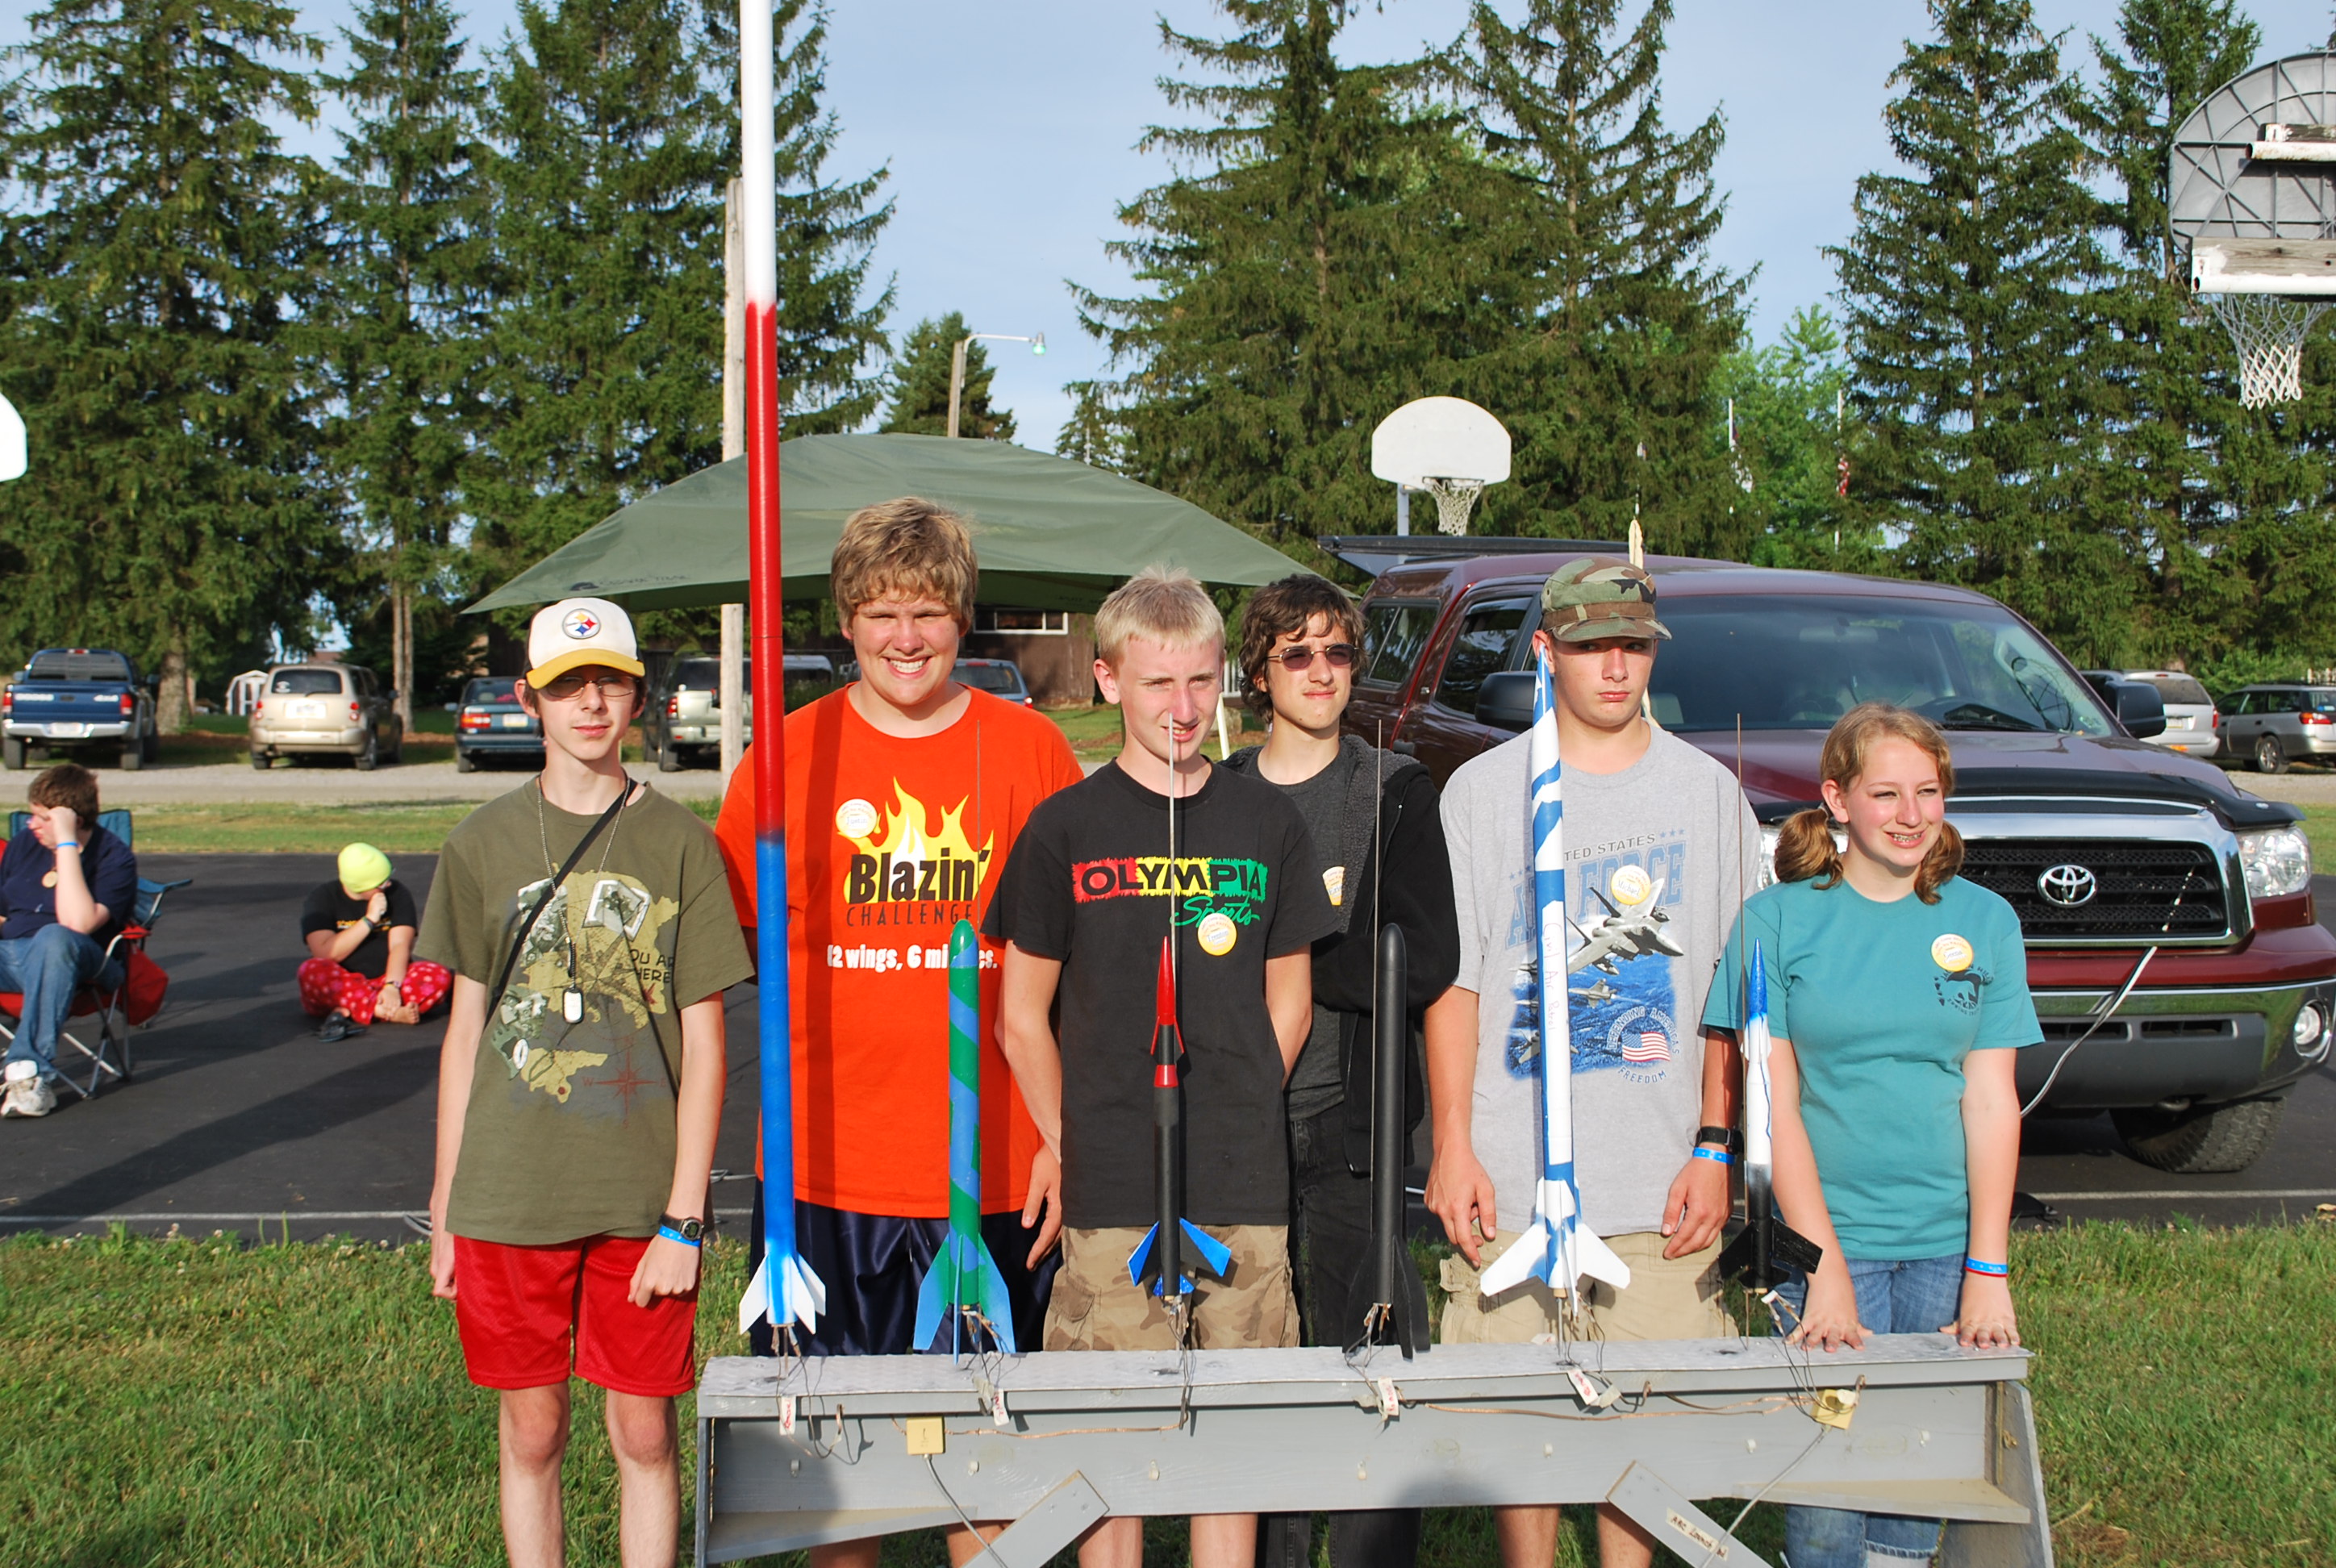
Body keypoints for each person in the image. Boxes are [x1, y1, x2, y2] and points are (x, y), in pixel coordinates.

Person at [712, 497, 1083, 1568]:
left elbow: (1076, 974)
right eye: (881, 613)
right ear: (847, 620)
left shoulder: (1030, 753)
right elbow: (741, 944)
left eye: (927, 611)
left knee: (993, 1472)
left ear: (961, 617)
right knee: (843, 1479)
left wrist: (1062, 1139)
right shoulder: (785, 762)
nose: (906, 637)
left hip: (994, 1170)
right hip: (823, 1176)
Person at [987, 565, 1337, 1568]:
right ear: (1107, 680)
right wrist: (1070, 1136)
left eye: (1201, 682)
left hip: (1241, 1181)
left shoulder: (1267, 823)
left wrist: (1233, 1105)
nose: (1181, 709)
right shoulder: (1065, 829)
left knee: (1229, 1437)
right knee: (1112, 1436)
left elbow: (1290, 998)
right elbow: (1021, 1014)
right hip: (1109, 1184)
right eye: (1155, 684)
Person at [1423, 558, 1758, 1568]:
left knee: (1648, 1438)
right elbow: (1458, 984)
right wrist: (1453, 1143)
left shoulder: (1707, 792)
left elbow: (1729, 991)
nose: (1614, 667)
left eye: (1633, 646)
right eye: (1589, 646)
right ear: (1544, 652)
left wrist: (1712, 1144)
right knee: (1520, 1432)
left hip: (1658, 1188)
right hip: (1510, 1183)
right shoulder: (1483, 793)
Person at [419, 597, 751, 1568]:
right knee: (533, 1432)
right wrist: (444, 1203)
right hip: (509, 1190)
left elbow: (707, 1043)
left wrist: (685, 1218)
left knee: (644, 1434)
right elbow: (464, 1034)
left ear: (639, 697)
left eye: (609, 681)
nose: (590, 702)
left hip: (640, 1198)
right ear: (530, 699)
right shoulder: (479, 843)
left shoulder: (683, 845)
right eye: (568, 685)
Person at [1703, 703, 2035, 1568]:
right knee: (1828, 1472)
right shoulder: (1775, 922)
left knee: (1915, 1467)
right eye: (1885, 793)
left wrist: (1986, 1270)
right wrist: (1824, 1269)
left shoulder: (1986, 922)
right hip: (1818, 1241)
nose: (1911, 815)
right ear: (1836, 800)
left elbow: (1991, 1099)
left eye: (1928, 792)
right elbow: (1772, 1104)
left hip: (1941, 1244)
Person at [1221, 574, 1459, 1568]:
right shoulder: (1218, 793)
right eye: (1297, 654)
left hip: (1353, 1126)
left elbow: (1425, 953)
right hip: (1239, 1127)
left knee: (1368, 1364)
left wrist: (1288, 950)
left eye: (1337, 653)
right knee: (1257, 1371)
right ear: (1260, 674)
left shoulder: (1395, 789)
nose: (1321, 672)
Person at [0, 763, 137, 1119]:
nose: (32, 825)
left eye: (43, 818)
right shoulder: (23, 846)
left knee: (54, 937)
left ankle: (29, 1077)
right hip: (14, 956)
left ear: (72, 819)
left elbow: (77, 923)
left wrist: (65, 845)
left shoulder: (114, 856)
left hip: (85, 960)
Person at [298, 841, 452, 1041]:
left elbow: (400, 945)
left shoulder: (397, 893)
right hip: (342, 984)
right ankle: (384, 1011)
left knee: (438, 976)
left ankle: (358, 1009)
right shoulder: (322, 898)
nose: (388, 884)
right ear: (361, 885)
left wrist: (391, 986)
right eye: (381, 883)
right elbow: (326, 953)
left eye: (388, 878)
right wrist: (369, 920)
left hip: (387, 979)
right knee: (311, 971)